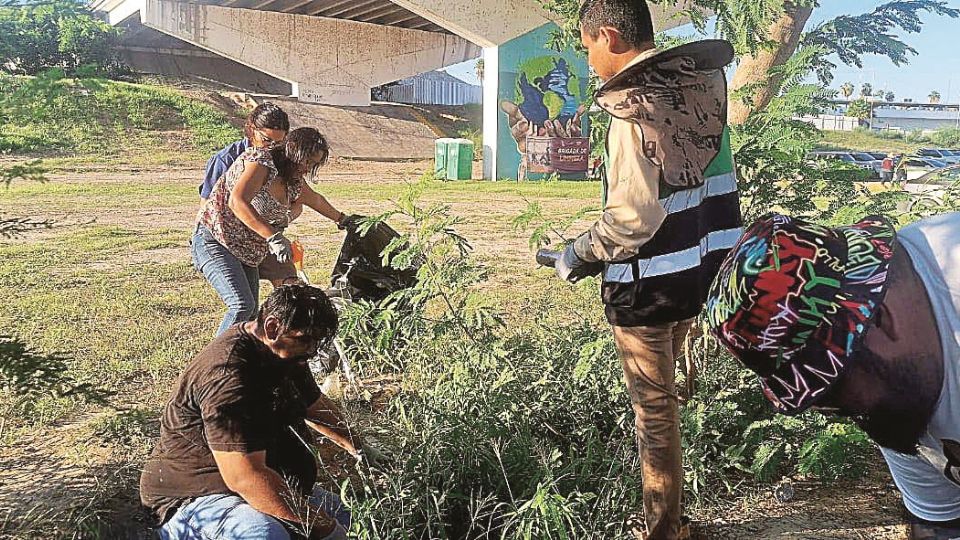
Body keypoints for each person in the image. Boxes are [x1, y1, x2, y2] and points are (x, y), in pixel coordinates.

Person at [555, 1, 742, 538]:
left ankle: (665, 531)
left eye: (586, 45)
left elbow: (633, 220)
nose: (587, 58)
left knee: (654, 416)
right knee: (668, 402)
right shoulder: (703, 87)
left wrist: (577, 253)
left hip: (649, 287)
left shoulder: (632, 109)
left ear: (609, 37)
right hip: (702, 274)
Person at [704, 212, 960, 540]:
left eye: (831, 387)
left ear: (878, 318)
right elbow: (940, 522)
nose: (833, 414)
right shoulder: (899, 398)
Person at [140, 284, 364, 540]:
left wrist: (360, 449)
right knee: (266, 535)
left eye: (317, 341)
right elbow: (245, 477)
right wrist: (325, 530)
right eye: (305, 339)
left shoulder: (284, 351)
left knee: (355, 518)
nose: (312, 350)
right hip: (195, 499)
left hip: (268, 481)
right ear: (272, 328)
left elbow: (314, 406)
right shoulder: (228, 376)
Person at [193, 127, 362, 336]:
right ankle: (218, 362)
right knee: (241, 305)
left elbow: (315, 200)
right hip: (216, 239)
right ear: (294, 152)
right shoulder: (261, 162)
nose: (308, 169)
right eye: (307, 161)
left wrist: (344, 220)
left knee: (252, 310)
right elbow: (237, 202)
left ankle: (239, 359)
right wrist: (272, 236)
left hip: (248, 249)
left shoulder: (294, 182)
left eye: (314, 164)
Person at [199, 102, 300, 287]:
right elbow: (208, 206)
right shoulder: (226, 159)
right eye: (266, 140)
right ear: (252, 128)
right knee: (242, 305)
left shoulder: (278, 158)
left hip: (261, 238)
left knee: (290, 283)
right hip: (228, 238)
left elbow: (303, 198)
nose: (271, 147)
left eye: (279, 143)